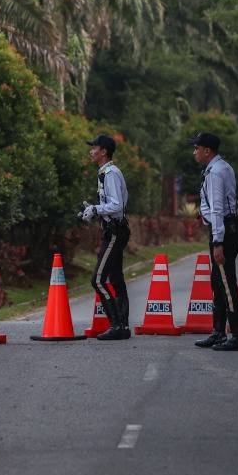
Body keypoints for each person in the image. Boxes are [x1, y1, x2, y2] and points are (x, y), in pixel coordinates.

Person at [189, 132, 238, 352]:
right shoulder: (223, 167)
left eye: (196, 148)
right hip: (229, 226)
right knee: (218, 281)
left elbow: (218, 209)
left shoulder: (215, 172)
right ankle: (218, 332)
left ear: (207, 151)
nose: (194, 152)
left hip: (224, 230)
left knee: (226, 283)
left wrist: (217, 242)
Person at [80, 134, 131, 341]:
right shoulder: (107, 172)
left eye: (94, 148)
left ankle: (117, 324)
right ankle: (124, 325)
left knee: (98, 280)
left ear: (104, 152)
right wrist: (94, 211)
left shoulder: (109, 173)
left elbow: (117, 204)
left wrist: (96, 208)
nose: (91, 151)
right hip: (115, 228)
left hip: (115, 231)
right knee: (116, 278)